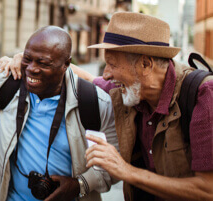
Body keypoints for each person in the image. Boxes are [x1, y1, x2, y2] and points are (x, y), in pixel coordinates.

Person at [0, 26, 118, 201]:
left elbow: (112, 168)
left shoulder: (96, 103)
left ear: (66, 64)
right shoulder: (6, 82)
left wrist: (79, 184)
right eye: (27, 59)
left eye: (43, 63)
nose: (32, 69)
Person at [81, 12, 213, 201]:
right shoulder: (129, 89)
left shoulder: (204, 95)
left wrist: (126, 171)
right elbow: (85, 79)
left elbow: (208, 190)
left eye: (112, 64)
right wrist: (24, 60)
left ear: (145, 64)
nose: (106, 74)